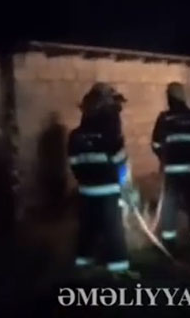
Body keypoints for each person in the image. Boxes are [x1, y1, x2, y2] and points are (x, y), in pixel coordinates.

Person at [67, 82, 132, 275]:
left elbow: (74, 162)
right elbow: (119, 158)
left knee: (87, 227)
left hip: (86, 188)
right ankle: (118, 268)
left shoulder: (76, 135)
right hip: (108, 188)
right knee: (113, 229)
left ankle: (83, 262)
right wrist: (123, 178)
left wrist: (84, 179)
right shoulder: (109, 132)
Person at [152, 82, 190, 252]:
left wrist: (164, 158)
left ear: (169, 98)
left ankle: (169, 241)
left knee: (170, 204)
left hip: (172, 169)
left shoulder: (164, 118)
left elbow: (156, 144)